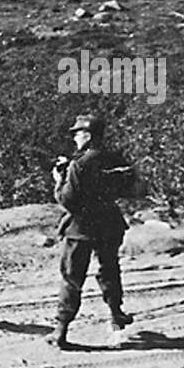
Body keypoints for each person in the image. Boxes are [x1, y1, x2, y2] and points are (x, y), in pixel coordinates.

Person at [49, 113, 136, 349]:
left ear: (87, 135)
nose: (75, 138)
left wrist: (60, 179)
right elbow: (131, 185)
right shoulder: (115, 159)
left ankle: (61, 330)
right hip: (109, 223)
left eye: (77, 133)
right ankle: (116, 314)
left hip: (81, 227)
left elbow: (68, 201)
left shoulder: (79, 164)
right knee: (109, 269)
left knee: (72, 277)